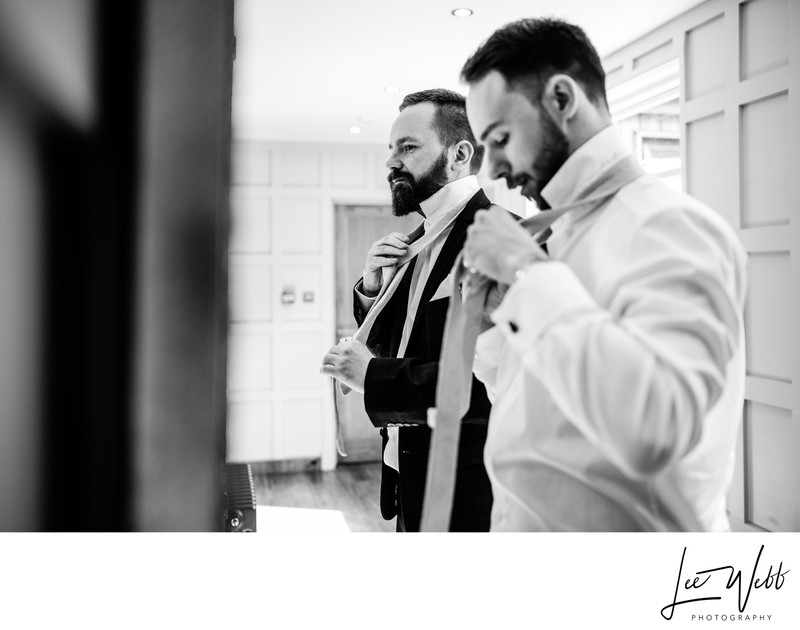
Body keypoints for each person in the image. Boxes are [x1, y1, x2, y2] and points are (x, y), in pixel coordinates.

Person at [456, 18, 748, 531]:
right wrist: (496, 322)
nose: (493, 170)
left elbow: (653, 427)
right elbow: (544, 410)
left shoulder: (674, 227)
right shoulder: (559, 233)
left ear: (562, 99)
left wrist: (528, 273)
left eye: (500, 138)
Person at [321, 89, 494, 532]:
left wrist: (372, 377)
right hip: (408, 477)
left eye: (408, 147)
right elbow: (402, 338)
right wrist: (372, 289)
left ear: (459, 154)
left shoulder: (498, 240)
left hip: (467, 490)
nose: (391, 162)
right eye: (391, 149)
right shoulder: (419, 238)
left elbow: (491, 386)